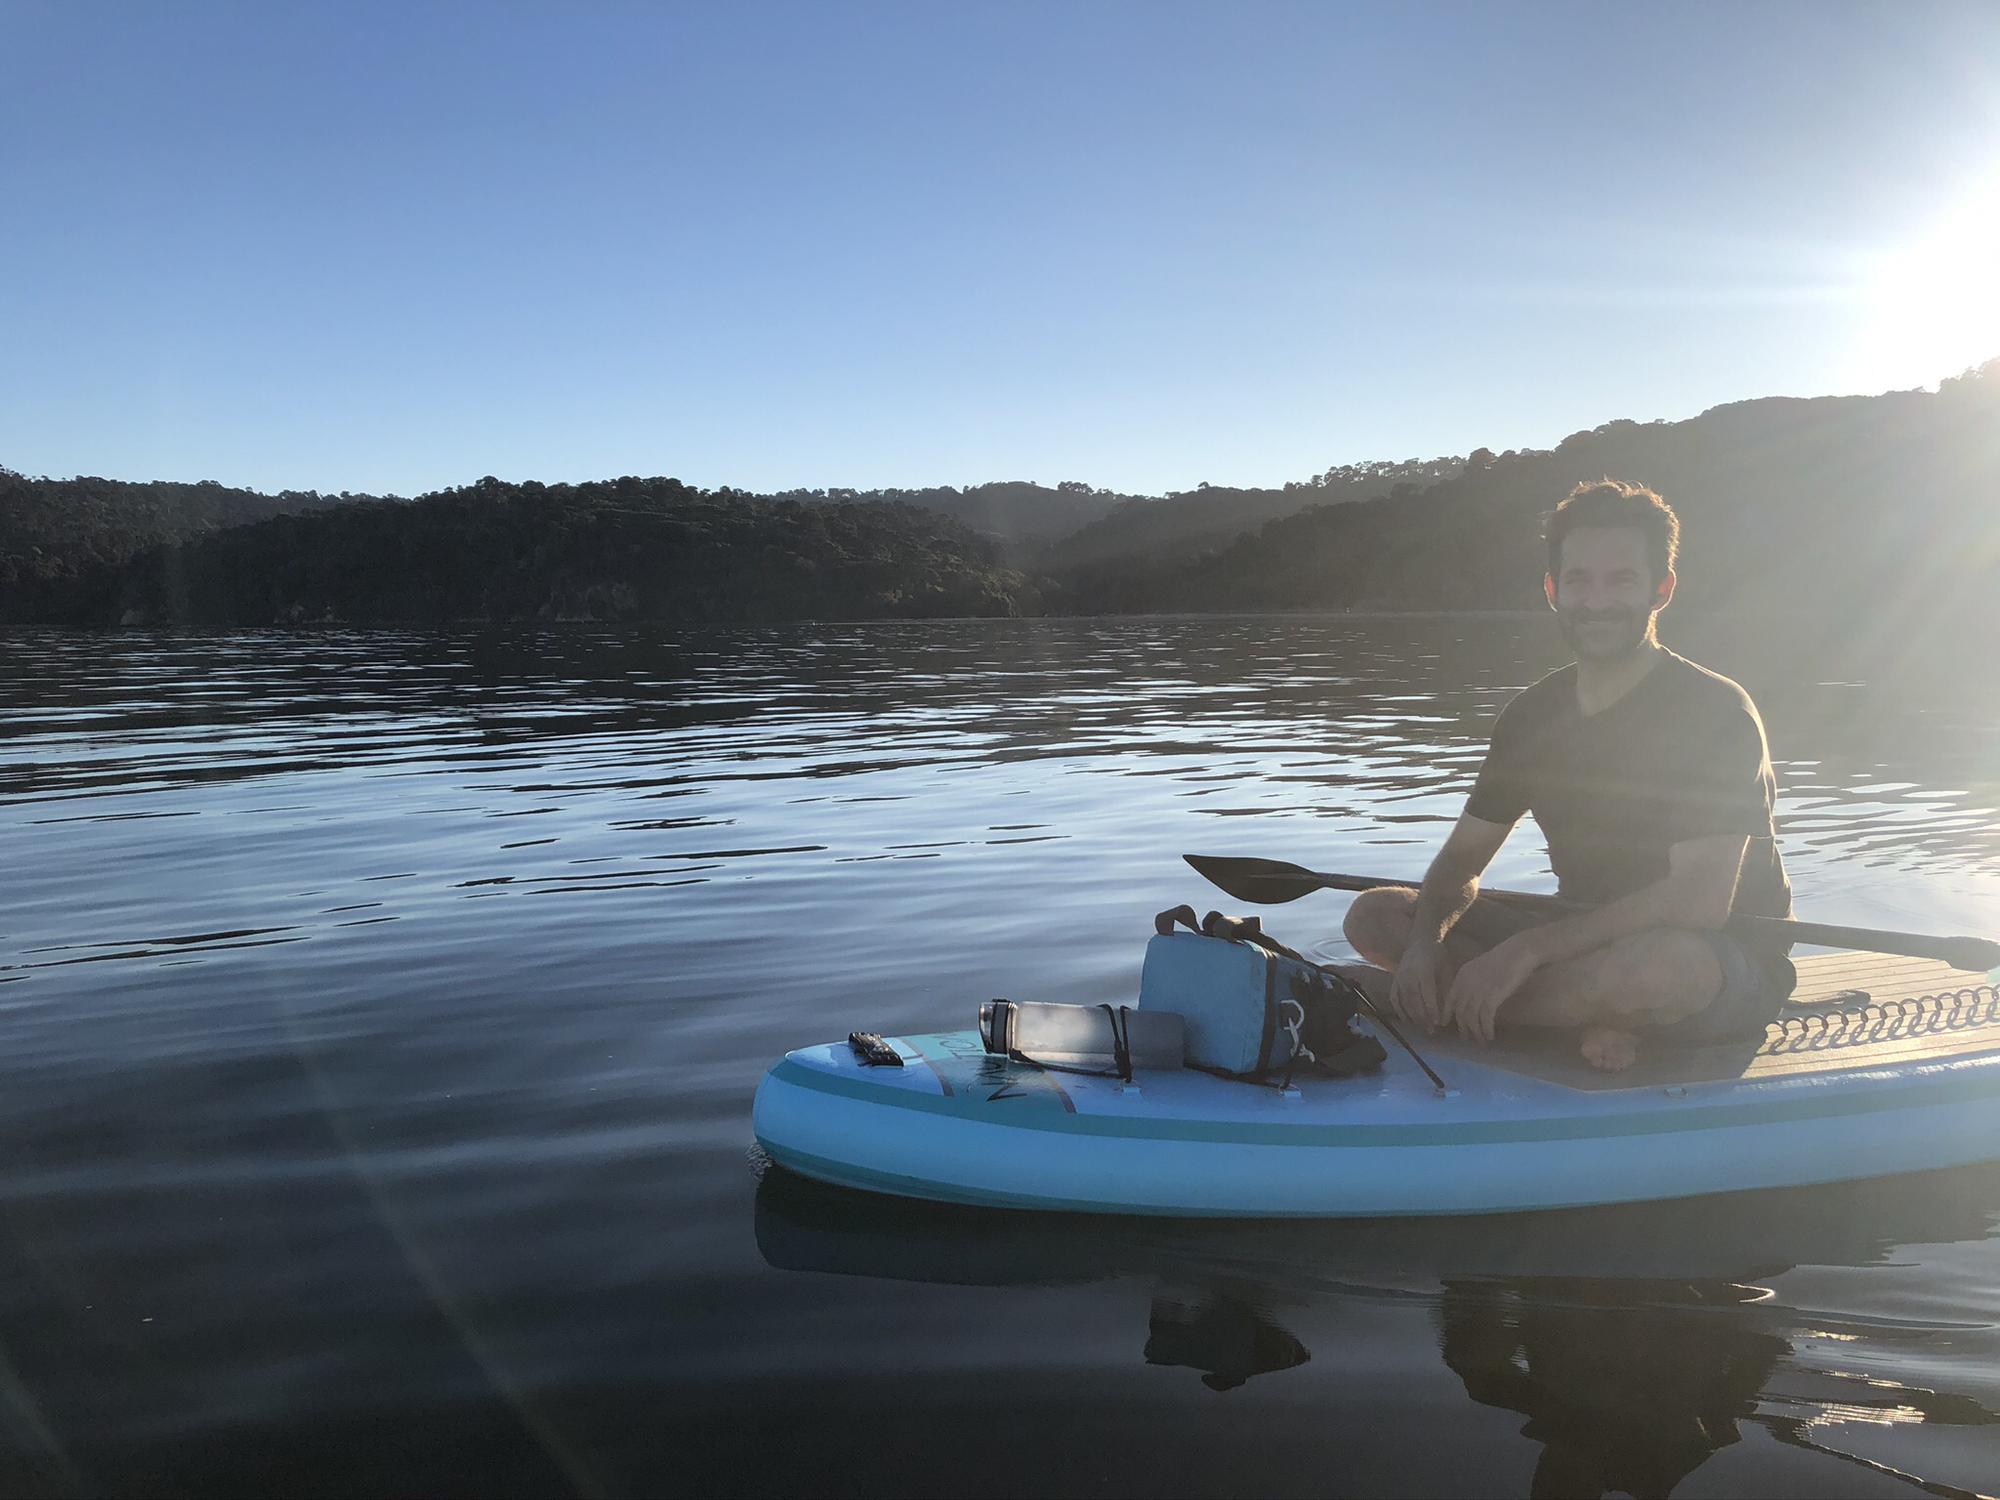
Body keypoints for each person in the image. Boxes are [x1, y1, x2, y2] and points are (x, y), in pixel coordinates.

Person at [1341, 478, 1794, 1071]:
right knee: (1377, 914)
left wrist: (1523, 951)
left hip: (1719, 953)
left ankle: (1415, 1005)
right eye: (1579, 579)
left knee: (1659, 972)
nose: (1596, 600)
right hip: (1578, 930)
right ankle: (1570, 1014)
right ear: (1553, 589)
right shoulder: (1532, 716)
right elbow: (1460, 864)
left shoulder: (1715, 713)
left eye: (1621, 580)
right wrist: (1425, 947)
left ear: (1662, 590)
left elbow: (1699, 901)